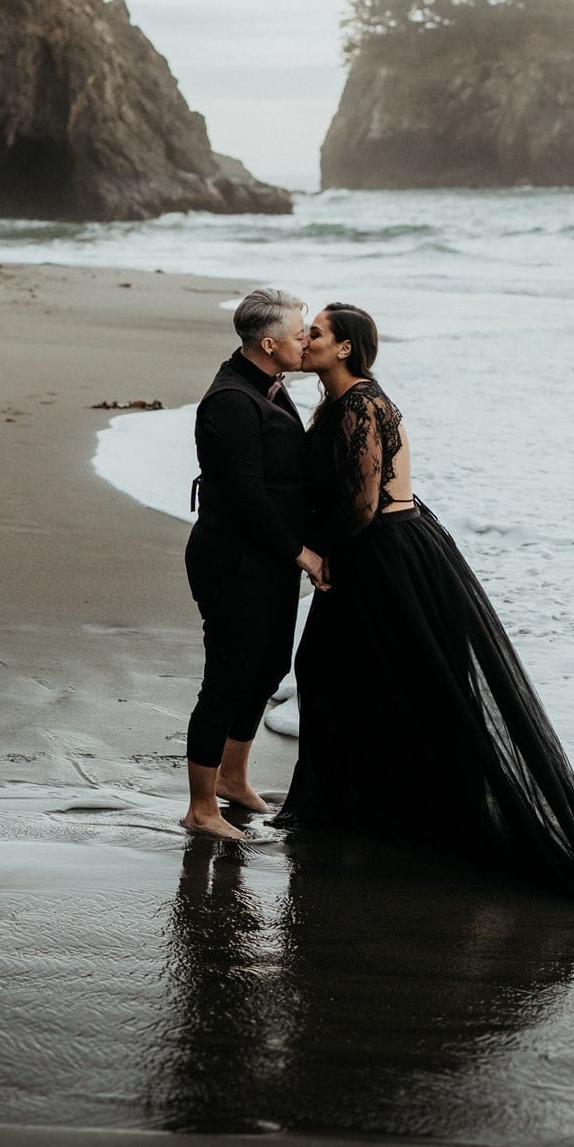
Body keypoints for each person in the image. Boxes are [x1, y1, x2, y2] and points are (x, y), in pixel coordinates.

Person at [272, 303, 574, 910]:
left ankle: (400, 812)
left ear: (344, 348)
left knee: (393, 679)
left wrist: (316, 554)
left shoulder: (363, 404)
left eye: (316, 332)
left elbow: (364, 503)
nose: (304, 339)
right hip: (374, 551)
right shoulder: (336, 402)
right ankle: (360, 805)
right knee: (341, 674)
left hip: (385, 554)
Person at [183, 288, 328, 840]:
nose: (306, 340)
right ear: (268, 344)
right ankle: (199, 808)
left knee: (267, 669)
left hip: (266, 559)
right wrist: (303, 553)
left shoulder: (266, 385)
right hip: (233, 558)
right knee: (226, 679)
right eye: (299, 334)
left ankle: (233, 780)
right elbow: (248, 496)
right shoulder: (229, 401)